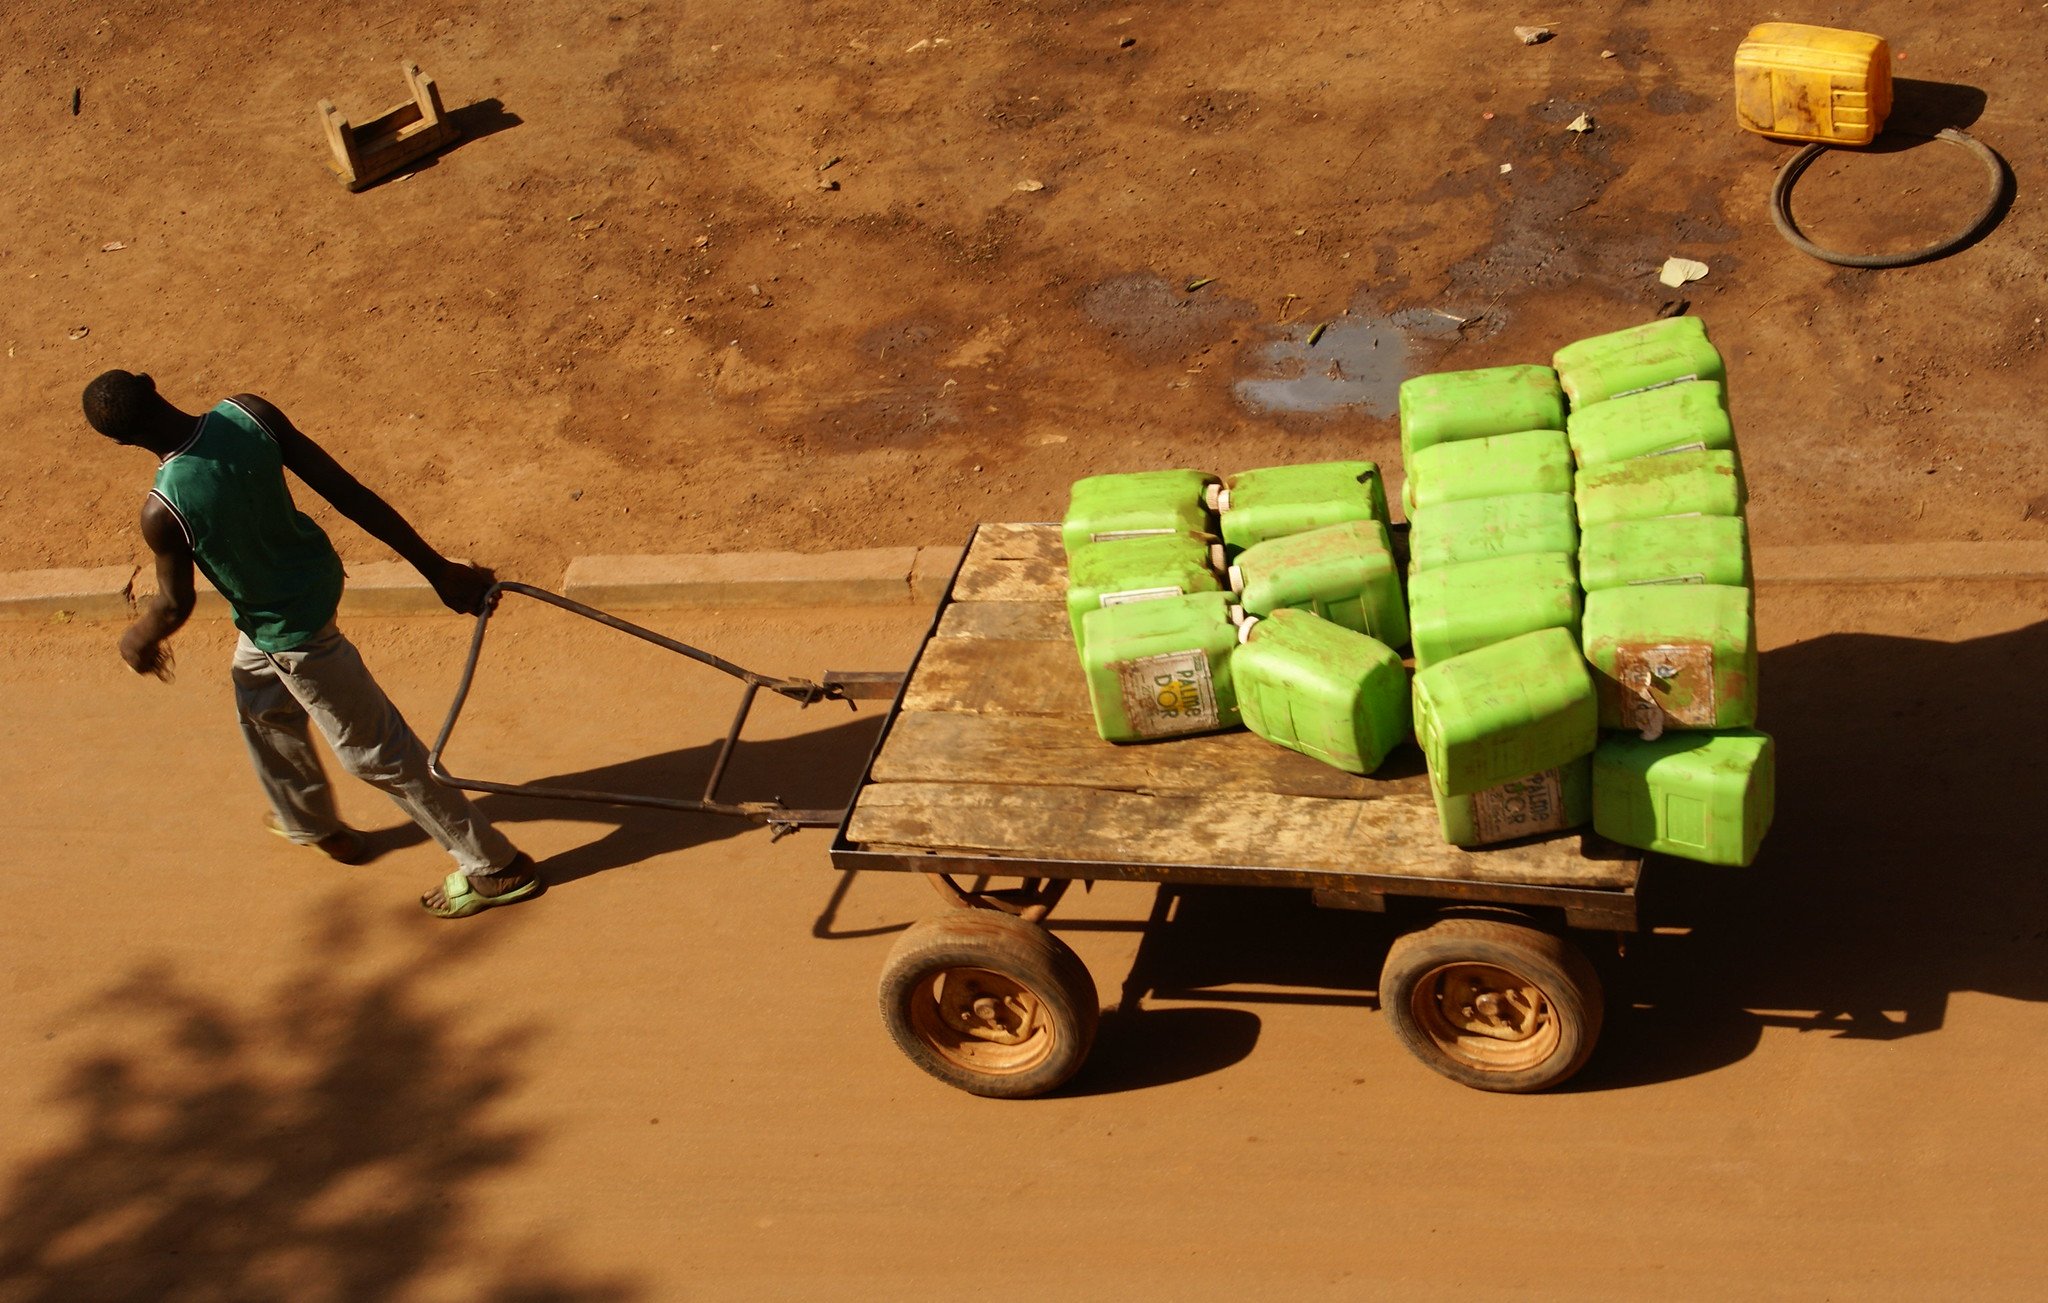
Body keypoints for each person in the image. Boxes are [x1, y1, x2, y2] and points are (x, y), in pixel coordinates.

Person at [83, 369, 541, 918]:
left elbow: (174, 604)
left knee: (378, 755)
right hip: (311, 584)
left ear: (119, 442)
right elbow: (348, 493)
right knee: (261, 706)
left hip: (290, 634)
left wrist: (139, 638)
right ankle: (310, 822)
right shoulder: (250, 414)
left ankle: (494, 866)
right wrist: (435, 569)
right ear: (152, 384)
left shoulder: (163, 510)